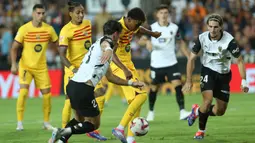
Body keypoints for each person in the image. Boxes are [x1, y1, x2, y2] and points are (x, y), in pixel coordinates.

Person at [48, 19, 145, 143]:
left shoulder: (96, 45)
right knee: (94, 124)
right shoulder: (107, 42)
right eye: (120, 35)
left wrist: (131, 83)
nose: (120, 38)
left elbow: (111, 77)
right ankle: (63, 131)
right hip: (84, 89)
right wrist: (109, 50)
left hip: (72, 86)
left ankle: (59, 139)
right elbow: (107, 45)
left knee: (78, 120)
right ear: (115, 34)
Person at [182, 13, 249, 139]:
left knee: (220, 111)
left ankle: (196, 111)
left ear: (221, 27)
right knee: (207, 101)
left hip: (223, 75)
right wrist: (188, 80)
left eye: (216, 27)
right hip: (208, 71)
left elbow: (239, 60)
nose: (213, 30)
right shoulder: (202, 38)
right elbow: (191, 59)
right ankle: (201, 131)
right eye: (210, 26)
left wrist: (244, 80)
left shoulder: (229, 40)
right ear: (207, 26)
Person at [111, 7, 161, 143]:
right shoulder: (117, 29)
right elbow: (111, 53)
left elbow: (139, 30)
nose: (138, 26)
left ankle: (130, 138)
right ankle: (120, 128)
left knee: (137, 102)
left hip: (128, 65)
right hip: (119, 67)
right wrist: (124, 69)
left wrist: (152, 33)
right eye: (137, 23)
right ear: (128, 20)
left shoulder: (132, 26)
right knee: (141, 95)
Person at [58, 1, 106, 141]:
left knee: (101, 95)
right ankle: (63, 131)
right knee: (69, 102)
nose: (81, 15)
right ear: (70, 13)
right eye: (78, 13)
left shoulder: (88, 24)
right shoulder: (66, 31)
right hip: (73, 71)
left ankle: (90, 127)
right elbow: (62, 55)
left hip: (88, 69)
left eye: (82, 12)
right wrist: (73, 69)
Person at [10, 4, 58, 131]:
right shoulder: (24, 29)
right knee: (23, 92)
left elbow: (57, 44)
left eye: (43, 13)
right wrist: (14, 64)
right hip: (26, 66)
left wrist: (58, 53)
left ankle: (46, 123)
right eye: (38, 13)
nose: (41, 16)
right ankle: (19, 123)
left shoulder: (49, 29)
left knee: (47, 95)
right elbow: (14, 47)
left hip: (41, 67)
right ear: (33, 14)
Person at [145, 4, 191, 121]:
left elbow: (180, 43)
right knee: (154, 88)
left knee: (177, 84)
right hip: (157, 64)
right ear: (157, 15)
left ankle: (182, 111)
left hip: (171, 62)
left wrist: (188, 55)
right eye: (161, 13)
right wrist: (146, 42)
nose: (164, 15)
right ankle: (151, 111)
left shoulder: (174, 28)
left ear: (168, 14)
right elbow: (142, 39)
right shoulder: (151, 27)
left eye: (166, 13)